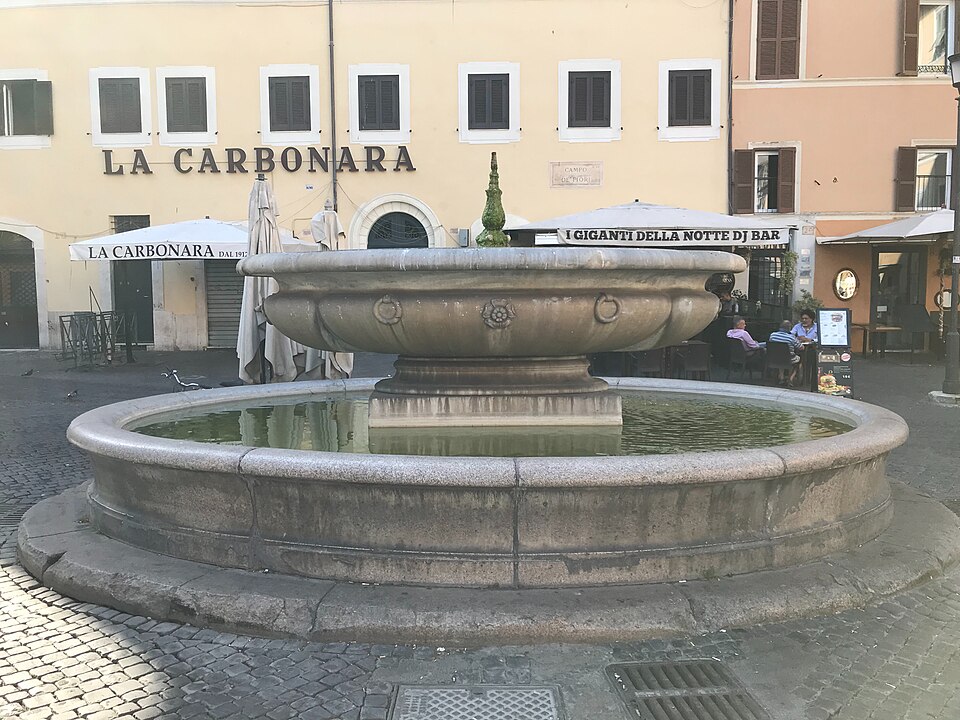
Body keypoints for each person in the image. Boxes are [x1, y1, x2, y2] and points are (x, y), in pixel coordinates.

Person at [768, 320, 803, 386]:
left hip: (775, 358)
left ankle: (781, 377)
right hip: (789, 359)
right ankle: (790, 379)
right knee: (798, 360)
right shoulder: (791, 337)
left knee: (781, 359)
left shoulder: (772, 335)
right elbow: (801, 347)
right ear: (789, 328)